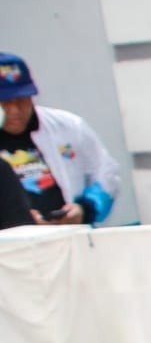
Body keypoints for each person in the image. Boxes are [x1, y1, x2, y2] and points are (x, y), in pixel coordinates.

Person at [0, 53, 120, 226]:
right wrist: (17, 221)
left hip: (72, 240)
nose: (15, 111)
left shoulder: (68, 125)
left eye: (21, 100)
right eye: (4, 103)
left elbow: (106, 171)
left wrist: (85, 209)